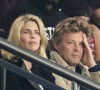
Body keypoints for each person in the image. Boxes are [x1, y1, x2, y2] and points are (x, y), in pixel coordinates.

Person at [0, 14, 54, 90]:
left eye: (37, 32)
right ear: (16, 36)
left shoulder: (44, 68)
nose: (33, 36)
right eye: (26, 32)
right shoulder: (6, 65)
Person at [50, 17, 100, 90]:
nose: (77, 49)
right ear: (56, 45)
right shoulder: (49, 69)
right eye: (71, 43)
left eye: (81, 44)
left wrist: (92, 65)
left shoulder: (85, 69)